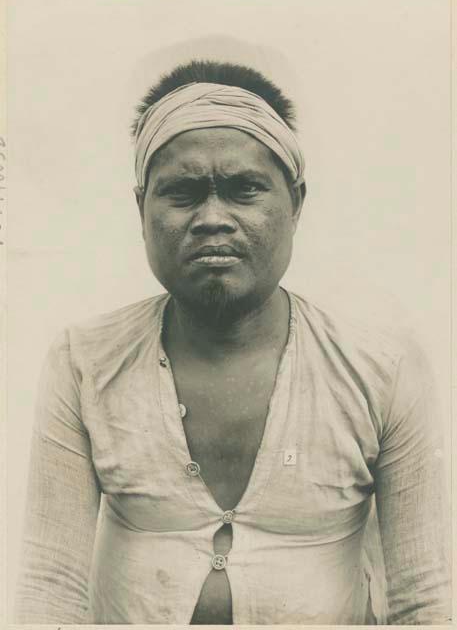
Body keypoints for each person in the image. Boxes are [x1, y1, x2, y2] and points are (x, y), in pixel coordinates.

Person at [15, 59, 450, 625]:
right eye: (183, 192)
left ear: (296, 203)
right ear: (140, 208)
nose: (212, 218)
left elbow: (426, 599)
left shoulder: (382, 367)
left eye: (245, 190)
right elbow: (49, 588)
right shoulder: (85, 362)